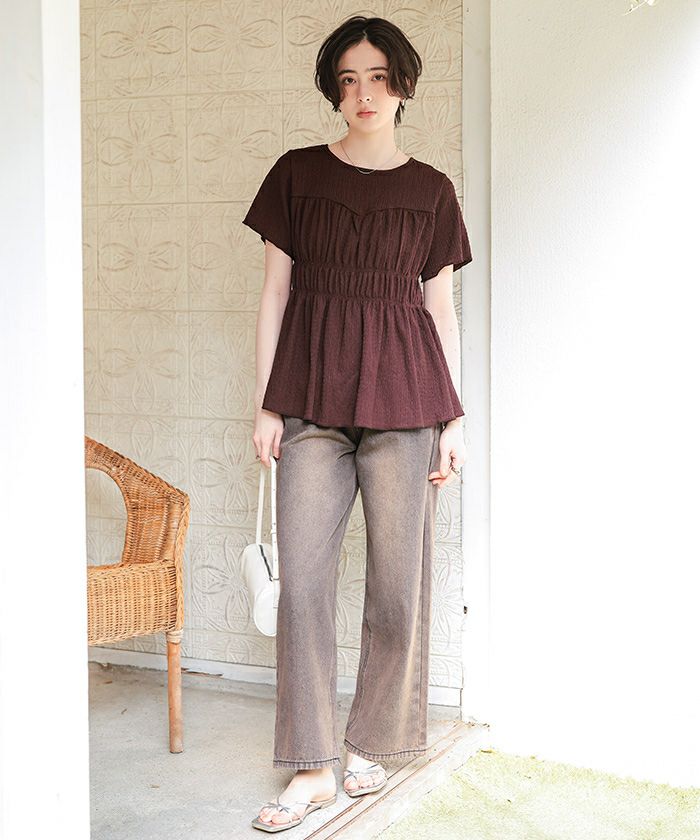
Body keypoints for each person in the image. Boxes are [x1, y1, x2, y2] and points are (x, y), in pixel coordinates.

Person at [242, 15, 472, 833]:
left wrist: (454, 419)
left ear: (402, 85)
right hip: (311, 398)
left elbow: (440, 312)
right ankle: (311, 764)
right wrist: (267, 402)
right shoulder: (297, 174)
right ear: (334, 91)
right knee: (304, 584)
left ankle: (370, 740)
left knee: (397, 585)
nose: (362, 95)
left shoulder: (432, 190)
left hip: (409, 403)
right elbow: (275, 294)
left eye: (377, 78)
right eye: (347, 80)